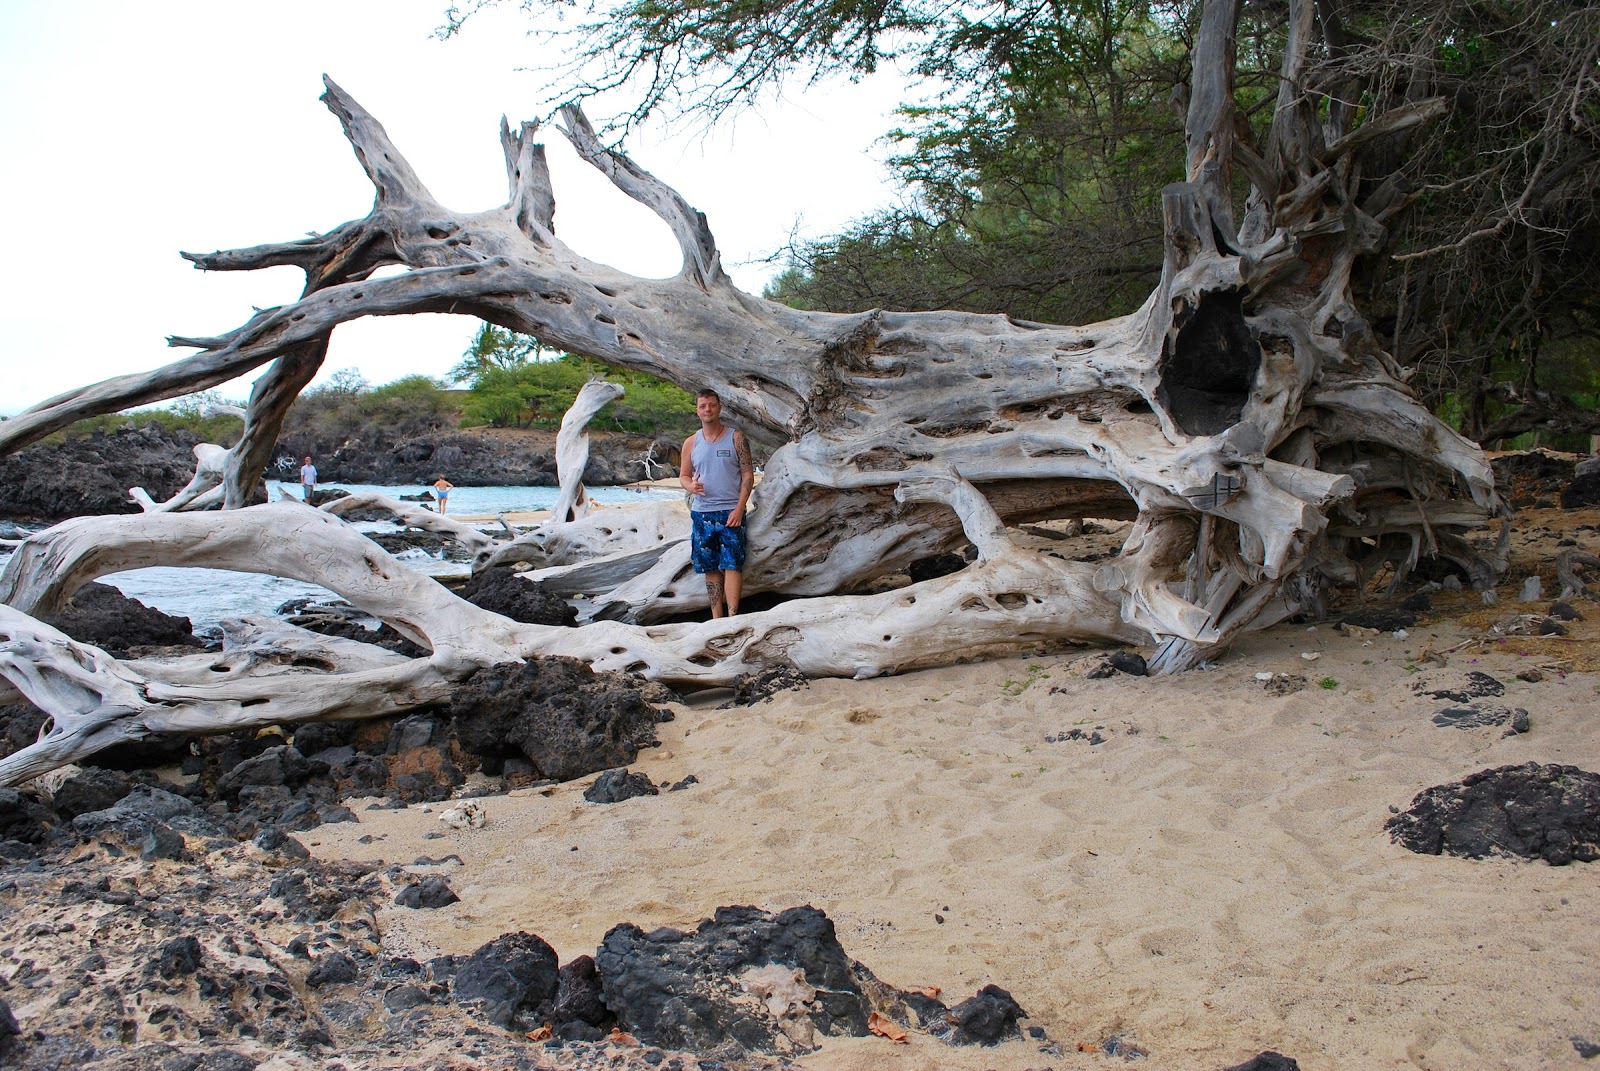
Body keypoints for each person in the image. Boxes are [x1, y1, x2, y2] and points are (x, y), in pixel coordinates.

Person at [680, 388, 755, 617]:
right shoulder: (691, 443)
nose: (707, 410)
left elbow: (748, 475)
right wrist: (690, 486)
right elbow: (683, 476)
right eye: (703, 406)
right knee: (710, 567)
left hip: (731, 512)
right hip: (702, 513)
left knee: (732, 564)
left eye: (711, 405)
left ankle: (732, 618)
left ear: (719, 407)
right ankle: (716, 620)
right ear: (697, 410)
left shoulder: (736, 438)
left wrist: (740, 508)